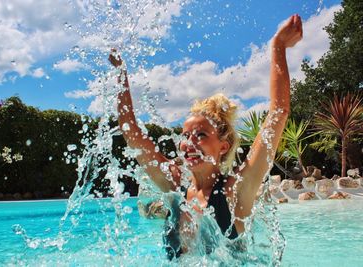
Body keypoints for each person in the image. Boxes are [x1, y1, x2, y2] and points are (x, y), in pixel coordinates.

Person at [109, 14, 303, 258]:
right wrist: (120, 75)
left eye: (200, 135)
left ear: (223, 147)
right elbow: (131, 132)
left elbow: (278, 113)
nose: (189, 142)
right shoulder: (173, 188)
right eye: (185, 134)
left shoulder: (235, 191)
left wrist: (278, 46)